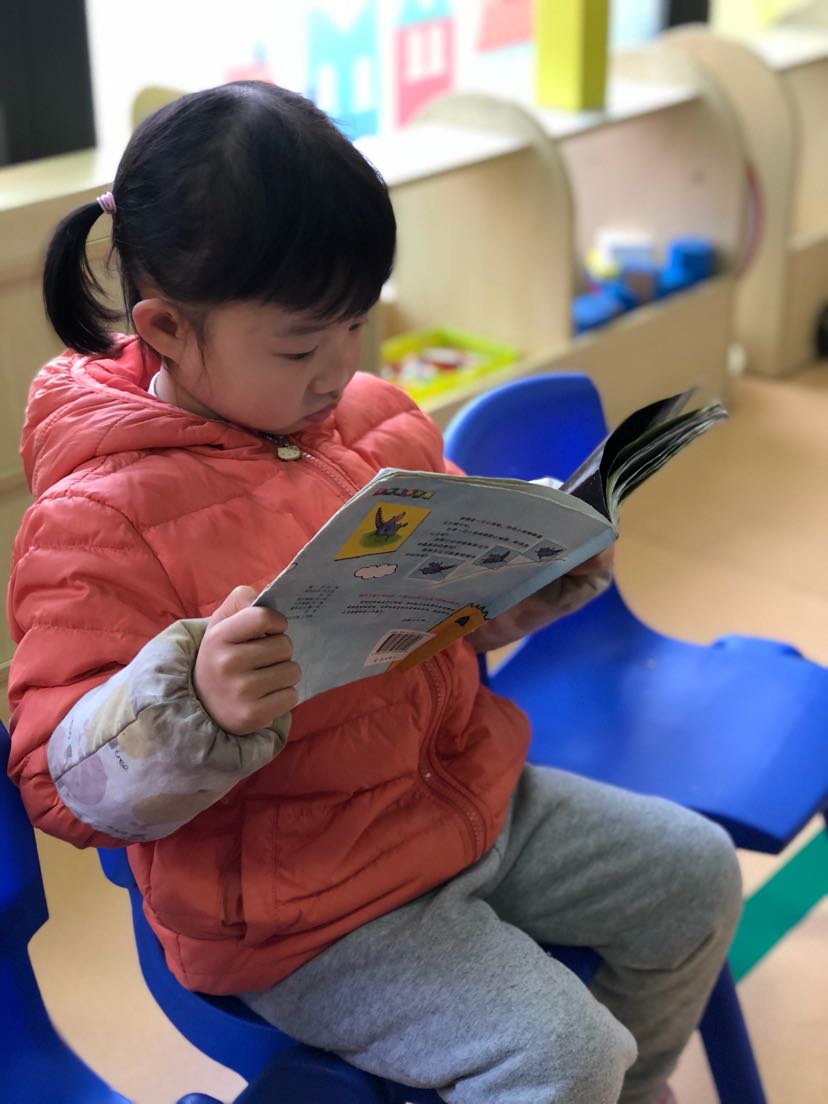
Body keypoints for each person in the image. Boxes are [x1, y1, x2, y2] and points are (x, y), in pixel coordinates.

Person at [6, 82, 740, 1104]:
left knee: (696, 874)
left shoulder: (374, 417)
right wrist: (194, 705)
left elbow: (439, 622)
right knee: (563, 1053)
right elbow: (57, 782)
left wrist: (531, 583)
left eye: (355, 323)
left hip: (461, 798)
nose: (338, 368)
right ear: (165, 326)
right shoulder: (99, 518)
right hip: (304, 909)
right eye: (300, 345)